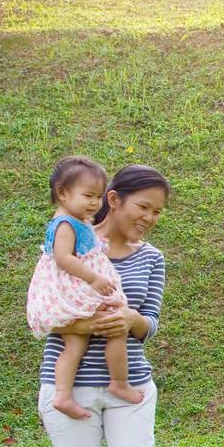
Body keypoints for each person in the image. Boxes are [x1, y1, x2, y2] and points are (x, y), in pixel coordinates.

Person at [35, 164, 177, 447]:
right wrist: (88, 325)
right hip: (69, 387)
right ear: (113, 200)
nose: (150, 217)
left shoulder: (152, 257)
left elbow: (150, 323)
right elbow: (43, 311)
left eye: (158, 211)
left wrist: (129, 320)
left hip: (130, 387)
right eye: (143, 207)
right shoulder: (68, 244)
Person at [27, 156, 143, 420]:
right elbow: (64, 258)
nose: (95, 203)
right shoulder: (66, 224)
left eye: (99, 196)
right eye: (88, 195)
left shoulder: (75, 221)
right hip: (75, 288)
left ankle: (63, 395)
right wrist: (94, 278)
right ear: (63, 193)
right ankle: (119, 382)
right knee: (115, 325)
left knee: (75, 344)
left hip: (73, 287)